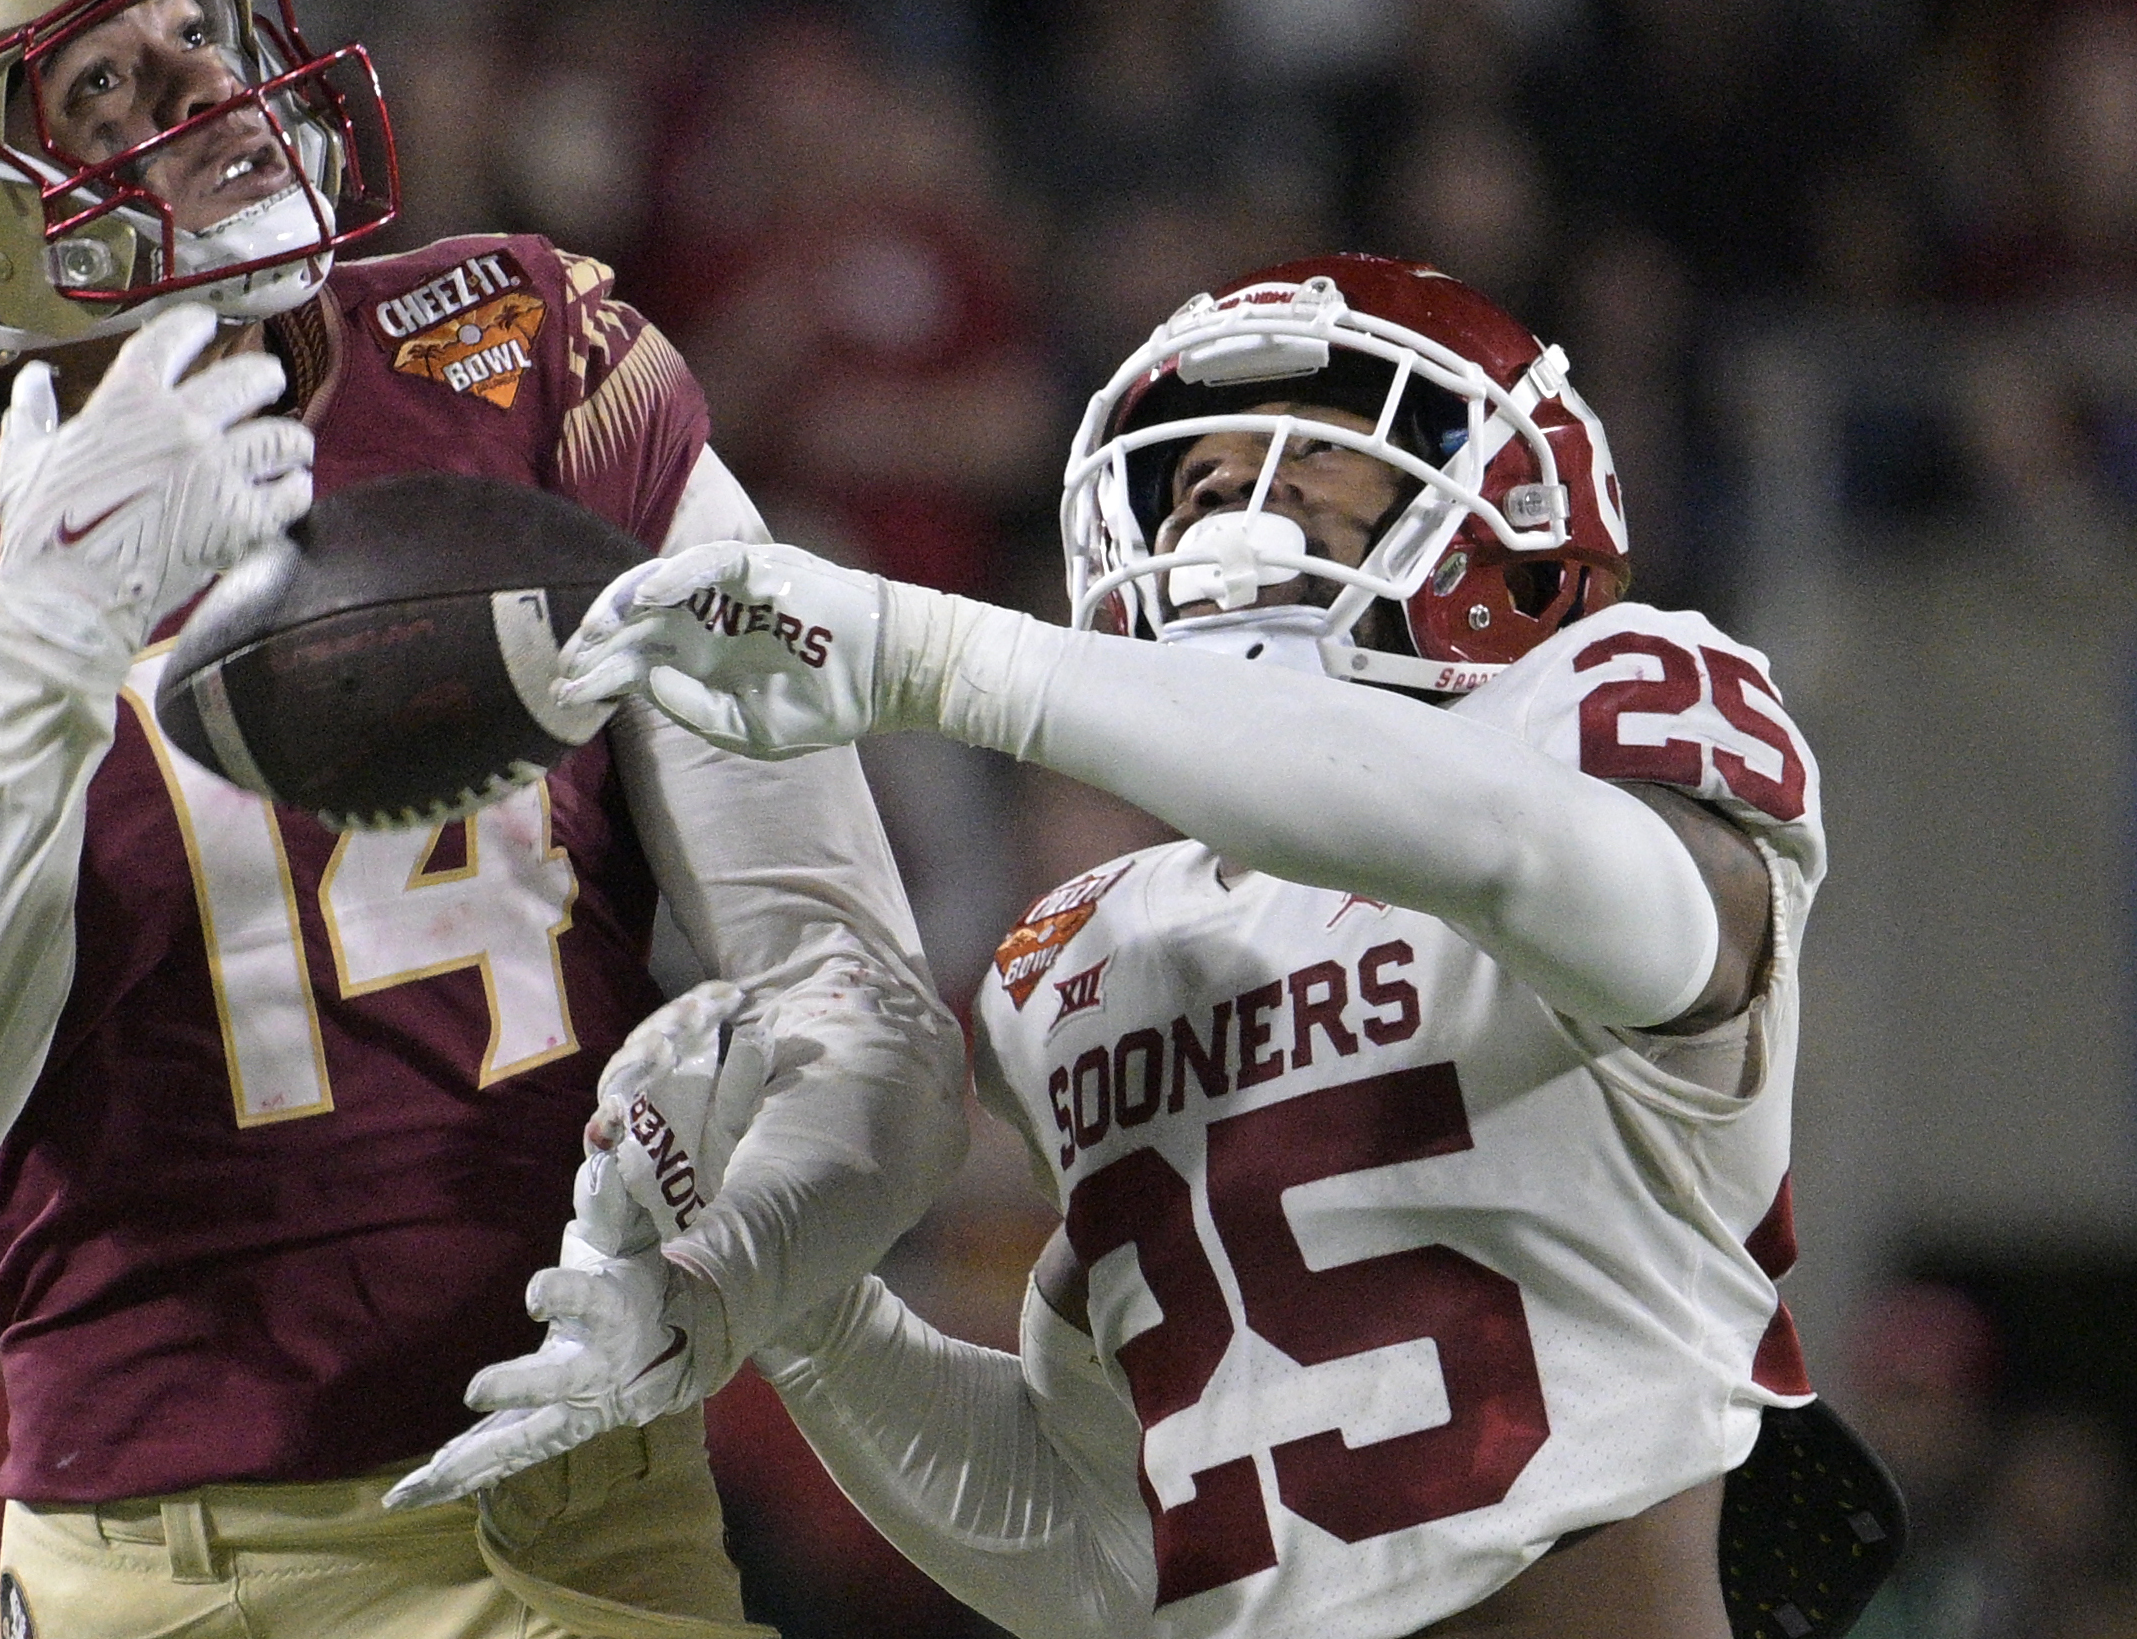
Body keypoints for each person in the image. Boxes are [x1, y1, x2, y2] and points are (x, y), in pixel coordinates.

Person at [0, 0, 964, 1639]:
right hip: (183, 1576)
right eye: (101, 84)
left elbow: (859, 996)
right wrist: (44, 636)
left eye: (208, 24)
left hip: (604, 1517)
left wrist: (726, 1275)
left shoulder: (520, 356)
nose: (216, 94)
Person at [550, 254, 1828, 1637]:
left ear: (1504, 519)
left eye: (1310, 459)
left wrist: (947, 656)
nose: (1227, 496)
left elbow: (1520, 852)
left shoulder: (1598, 721)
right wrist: (800, 1313)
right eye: (1200, 476)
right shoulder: (1083, 960)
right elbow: (1094, 1541)